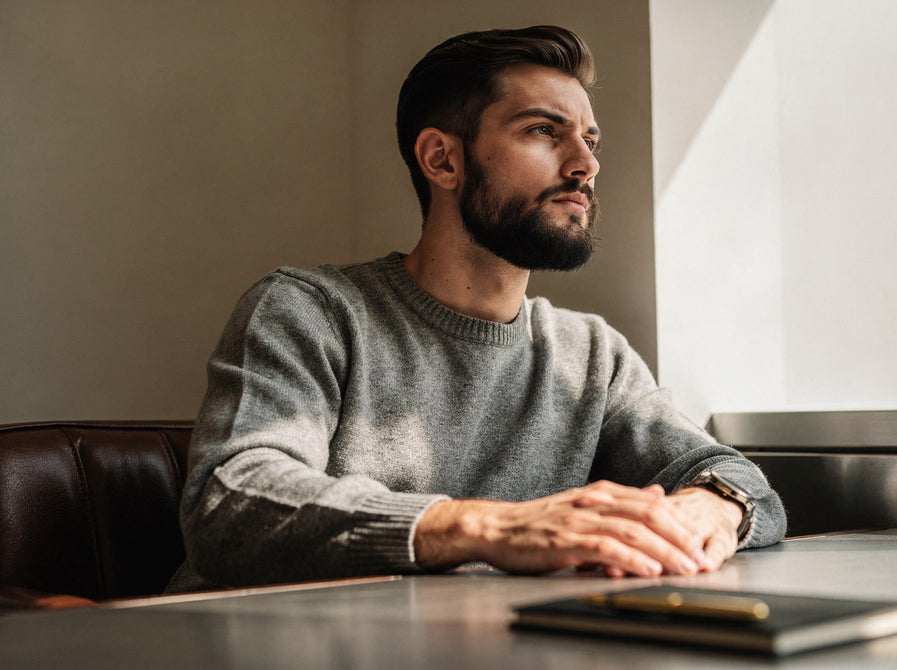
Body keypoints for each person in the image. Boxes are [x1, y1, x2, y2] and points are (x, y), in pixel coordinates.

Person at [166, 25, 785, 592]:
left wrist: (713, 505)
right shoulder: (310, 312)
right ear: (442, 159)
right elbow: (233, 503)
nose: (586, 165)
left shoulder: (590, 354)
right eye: (544, 131)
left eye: (590, 140)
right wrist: (494, 529)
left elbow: (736, 478)